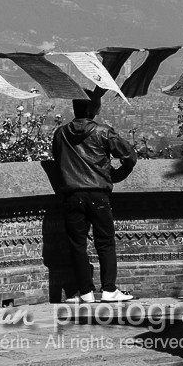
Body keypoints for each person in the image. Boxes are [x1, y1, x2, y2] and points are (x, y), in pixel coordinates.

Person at [51, 92, 137, 302]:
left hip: (72, 195)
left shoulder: (60, 134)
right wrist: (116, 175)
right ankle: (109, 290)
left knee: (77, 245)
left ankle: (86, 292)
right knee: (105, 243)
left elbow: (57, 159)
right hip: (98, 195)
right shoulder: (103, 132)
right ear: (91, 109)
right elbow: (130, 156)